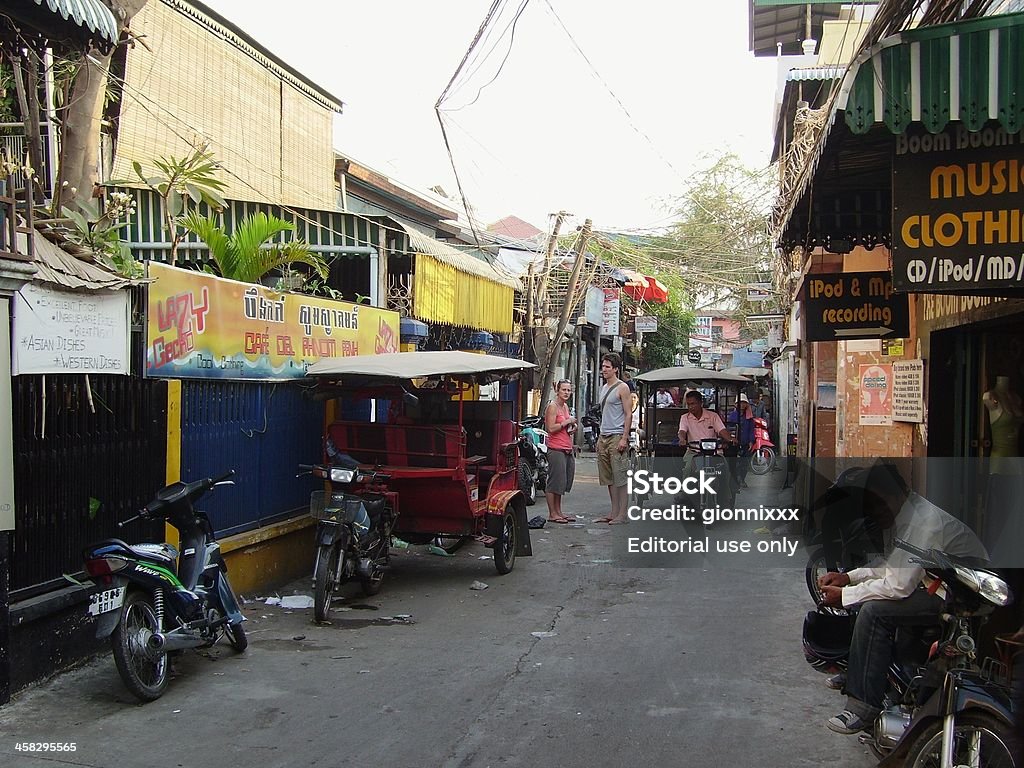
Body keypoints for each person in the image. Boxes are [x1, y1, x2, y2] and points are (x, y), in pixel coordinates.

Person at [818, 462, 989, 734]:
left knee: (874, 611)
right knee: (867, 598)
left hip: (959, 598)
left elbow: (899, 585)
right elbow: (892, 566)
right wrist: (849, 578)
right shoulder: (903, 515)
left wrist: (847, 595)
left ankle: (863, 705)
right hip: (934, 585)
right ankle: (866, 676)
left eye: (877, 504)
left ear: (897, 495)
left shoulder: (925, 523)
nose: (874, 513)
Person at [982, 375, 1024, 567]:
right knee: (998, 518)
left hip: (1016, 462)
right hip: (999, 463)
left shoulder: (1015, 398)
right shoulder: (989, 397)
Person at [593, 352, 632, 525]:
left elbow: (628, 414)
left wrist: (624, 437)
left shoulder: (622, 388)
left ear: (616, 369)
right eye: (603, 366)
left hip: (617, 436)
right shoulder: (604, 388)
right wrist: (599, 437)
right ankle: (614, 511)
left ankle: (622, 514)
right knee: (608, 478)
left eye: (608, 367)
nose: (604, 369)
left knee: (620, 477)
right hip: (604, 435)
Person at [677, 390, 736, 499]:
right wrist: (682, 439)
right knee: (688, 469)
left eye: (693, 404)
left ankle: (727, 497)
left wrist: (730, 439)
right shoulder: (685, 418)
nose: (690, 407)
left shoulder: (713, 416)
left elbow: (722, 430)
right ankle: (685, 493)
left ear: (701, 403)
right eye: (688, 404)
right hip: (694, 451)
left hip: (714, 452)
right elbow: (682, 431)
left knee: (725, 470)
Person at [544, 379, 577, 524]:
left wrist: (572, 428)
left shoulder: (565, 407)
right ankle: (552, 513)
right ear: (557, 390)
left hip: (566, 448)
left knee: (562, 483)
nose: (566, 393)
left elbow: (564, 428)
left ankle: (559, 512)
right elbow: (550, 428)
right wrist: (567, 422)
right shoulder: (552, 406)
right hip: (556, 448)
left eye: (568, 390)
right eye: (564, 390)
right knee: (554, 482)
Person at [726, 394, 755, 492]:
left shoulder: (749, 416)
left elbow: (752, 429)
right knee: (735, 463)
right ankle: (735, 479)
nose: (742, 405)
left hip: (746, 442)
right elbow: (730, 428)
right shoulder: (733, 415)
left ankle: (742, 479)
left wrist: (751, 441)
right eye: (740, 403)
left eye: (744, 403)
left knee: (745, 463)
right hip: (736, 442)